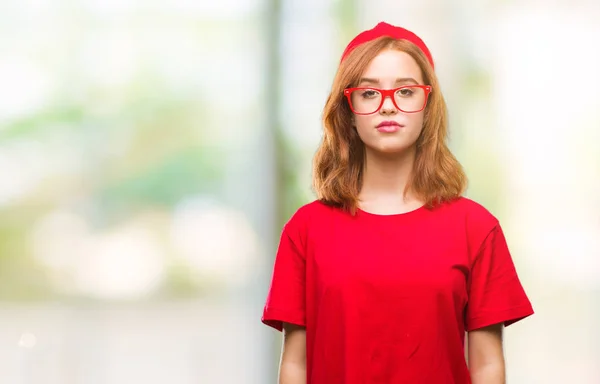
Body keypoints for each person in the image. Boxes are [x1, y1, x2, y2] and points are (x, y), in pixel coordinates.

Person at [261, 21, 534, 384]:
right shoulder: (305, 230)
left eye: (405, 91)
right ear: (348, 110)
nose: (388, 107)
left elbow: (487, 366)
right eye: (369, 93)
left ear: (428, 105)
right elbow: (295, 364)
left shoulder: (476, 228)